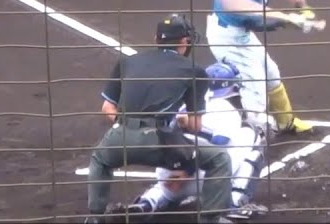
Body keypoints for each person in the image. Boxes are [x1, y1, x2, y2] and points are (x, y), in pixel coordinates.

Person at [85, 14, 234, 224]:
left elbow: (107, 108)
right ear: (185, 41)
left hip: (120, 135)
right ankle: (210, 220)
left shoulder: (127, 61)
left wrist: (128, 125)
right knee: (219, 158)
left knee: (100, 160)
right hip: (158, 142)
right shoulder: (194, 71)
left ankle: (95, 217)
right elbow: (195, 125)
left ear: (156, 38)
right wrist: (181, 121)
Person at [115, 62, 269, 221]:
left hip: (168, 177)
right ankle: (235, 203)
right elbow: (216, 152)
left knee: (166, 185)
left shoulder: (183, 103)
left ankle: (147, 203)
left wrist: (179, 170)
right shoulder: (227, 111)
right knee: (251, 135)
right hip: (200, 177)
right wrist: (186, 172)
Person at [207, 0, 322, 135]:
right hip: (228, 37)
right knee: (255, 88)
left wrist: (303, 9)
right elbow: (255, 23)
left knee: (271, 73)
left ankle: (286, 122)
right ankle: (255, 135)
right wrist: (287, 22)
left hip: (240, 31)